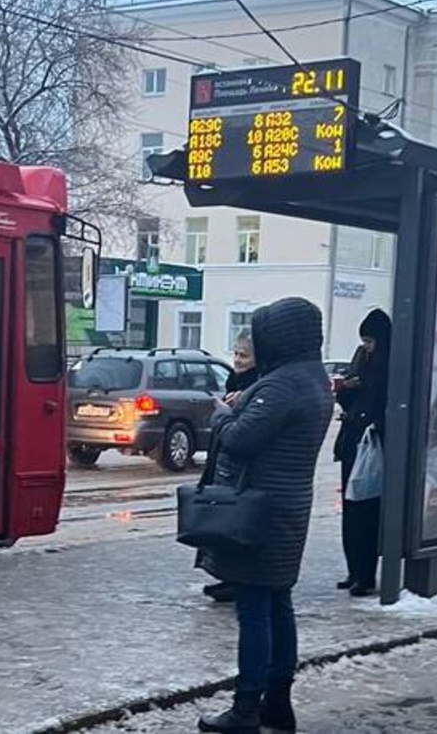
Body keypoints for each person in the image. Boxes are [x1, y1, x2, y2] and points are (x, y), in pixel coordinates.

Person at [196, 297, 332, 734]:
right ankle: (278, 704)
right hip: (289, 507)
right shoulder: (315, 378)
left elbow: (239, 440)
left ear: (280, 338)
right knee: (278, 603)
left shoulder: (280, 385)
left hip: (259, 512)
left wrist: (224, 415)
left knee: (254, 609)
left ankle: (245, 709)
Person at [333, 309, 392, 598]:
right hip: (352, 443)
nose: (367, 346)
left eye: (371, 341)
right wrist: (346, 389)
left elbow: (385, 404)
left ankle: (365, 574)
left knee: (366, 512)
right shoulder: (362, 359)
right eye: (364, 341)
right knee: (351, 509)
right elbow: (348, 398)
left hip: (373, 446)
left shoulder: (389, 364)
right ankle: (354, 569)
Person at [197, 330, 259, 602]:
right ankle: (224, 576)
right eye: (235, 354)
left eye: (244, 355)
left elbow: (247, 427)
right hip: (220, 456)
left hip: (238, 464)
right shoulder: (236, 378)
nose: (238, 360)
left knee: (232, 522)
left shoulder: (259, 384)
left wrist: (231, 409)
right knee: (221, 520)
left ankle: (234, 580)